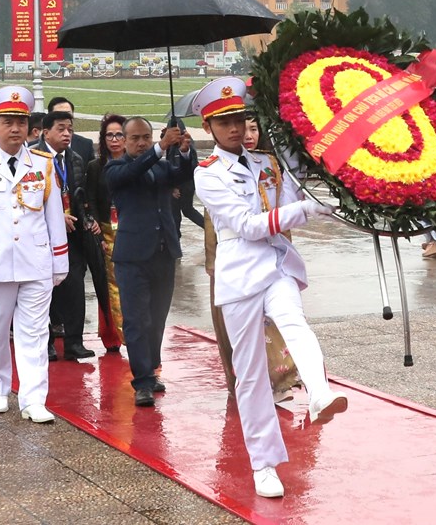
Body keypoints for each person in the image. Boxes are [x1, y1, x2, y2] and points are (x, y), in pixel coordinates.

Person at [193, 78, 347, 499]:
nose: (236, 128)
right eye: (225, 122)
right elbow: (246, 225)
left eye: (241, 119)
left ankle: (319, 393)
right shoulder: (206, 175)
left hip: (276, 265)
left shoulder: (267, 162)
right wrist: (300, 208)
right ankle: (263, 463)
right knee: (249, 375)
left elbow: (298, 196)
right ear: (208, 128)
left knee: (294, 322)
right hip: (240, 275)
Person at [0, 86, 68, 423]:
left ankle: (34, 399)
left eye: (21, 121)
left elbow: (53, 216)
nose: (15, 128)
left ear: (30, 127)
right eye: (7, 121)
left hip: (36, 261)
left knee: (34, 333)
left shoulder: (43, 165)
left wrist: (59, 261)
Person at [204, 110, 300, 403]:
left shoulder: (269, 164)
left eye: (251, 128)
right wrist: (214, 264)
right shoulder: (214, 172)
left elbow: (287, 207)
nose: (246, 134)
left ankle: (282, 380)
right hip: (236, 260)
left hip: (273, 253)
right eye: (234, 127)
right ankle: (246, 383)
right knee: (239, 328)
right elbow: (217, 229)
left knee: (280, 319)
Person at [105, 116, 196, 408]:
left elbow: (182, 175)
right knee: (136, 320)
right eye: (135, 138)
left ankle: (152, 368)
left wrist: (182, 151)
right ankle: (142, 381)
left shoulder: (160, 165)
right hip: (132, 256)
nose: (141, 143)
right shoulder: (115, 168)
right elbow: (131, 174)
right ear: (125, 141)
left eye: (146, 137)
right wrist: (159, 147)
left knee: (157, 319)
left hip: (164, 253)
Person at [34, 110, 96, 361]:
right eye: (61, 128)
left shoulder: (76, 158)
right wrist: (55, 216)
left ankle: (74, 341)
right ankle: (47, 342)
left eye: (69, 128)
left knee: (74, 289)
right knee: (43, 293)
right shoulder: (33, 157)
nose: (67, 133)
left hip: (72, 236)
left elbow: (80, 194)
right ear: (45, 132)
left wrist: (85, 219)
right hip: (43, 237)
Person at [85, 114, 127, 352]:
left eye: (119, 134)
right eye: (109, 135)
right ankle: (116, 334)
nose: (114, 139)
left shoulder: (134, 163)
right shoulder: (96, 166)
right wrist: (97, 232)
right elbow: (90, 198)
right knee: (112, 284)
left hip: (131, 231)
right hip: (107, 232)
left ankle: (136, 333)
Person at [46, 96, 95, 165]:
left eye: (68, 114)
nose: (65, 118)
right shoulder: (34, 150)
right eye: (60, 115)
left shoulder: (86, 145)